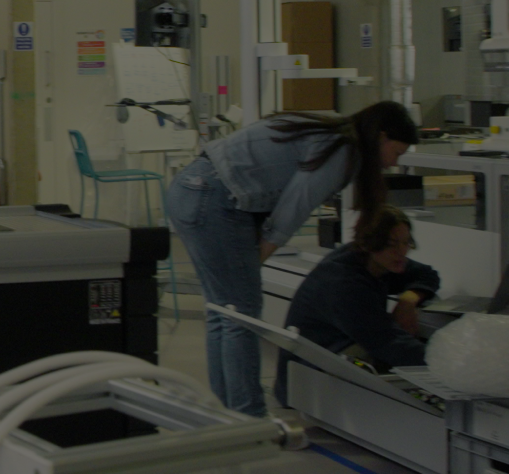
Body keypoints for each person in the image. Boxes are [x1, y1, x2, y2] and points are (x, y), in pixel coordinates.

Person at [162, 100, 419, 417]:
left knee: (224, 312)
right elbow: (295, 207)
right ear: (381, 137)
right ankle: (249, 418)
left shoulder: (332, 125)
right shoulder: (343, 148)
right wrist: (260, 257)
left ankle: (225, 414)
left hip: (192, 188)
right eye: (397, 153)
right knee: (241, 313)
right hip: (213, 198)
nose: (393, 164)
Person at [272, 205, 440, 407]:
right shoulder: (343, 283)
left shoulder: (378, 261)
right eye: (393, 244)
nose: (401, 251)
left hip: (331, 357)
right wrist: (446, 364)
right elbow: (388, 343)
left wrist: (409, 299)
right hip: (306, 382)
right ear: (369, 244)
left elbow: (427, 274)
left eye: (406, 243)